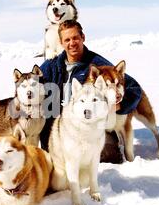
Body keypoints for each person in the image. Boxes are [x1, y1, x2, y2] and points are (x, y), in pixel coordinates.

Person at [39, 20, 142, 163]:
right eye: (67, 40)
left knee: (107, 156)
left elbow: (134, 89)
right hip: (58, 128)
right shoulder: (51, 66)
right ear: (61, 43)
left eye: (75, 38)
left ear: (83, 38)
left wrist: (118, 106)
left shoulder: (98, 64)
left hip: (90, 128)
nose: (72, 43)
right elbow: (30, 85)